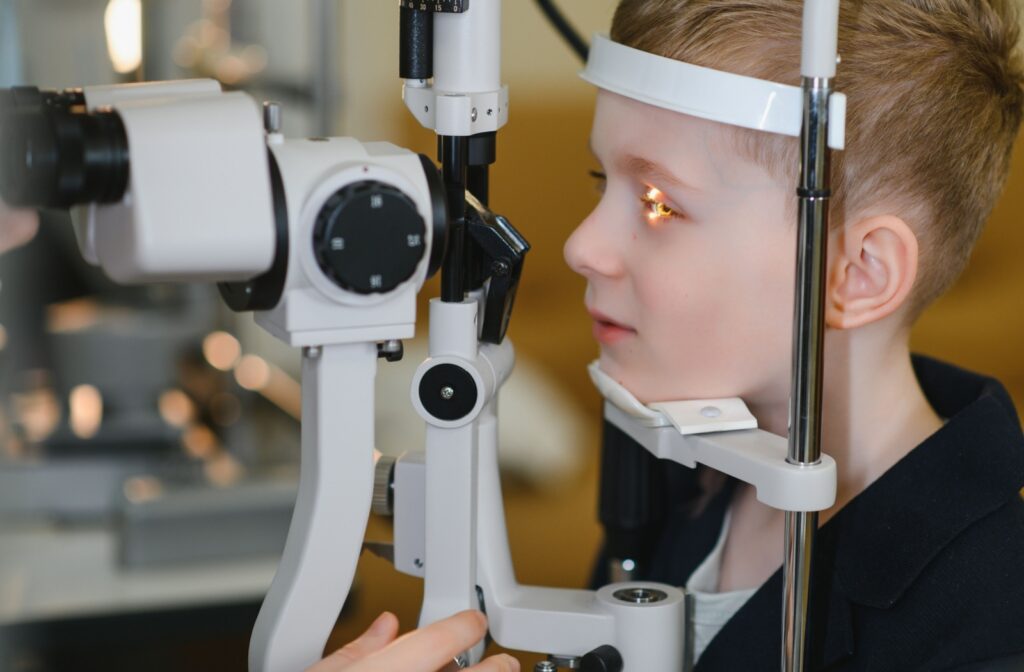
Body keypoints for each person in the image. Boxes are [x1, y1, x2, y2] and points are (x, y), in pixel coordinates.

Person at [318, 0, 1024, 668]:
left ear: (856, 274)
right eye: (603, 181)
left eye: (659, 203)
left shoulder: (992, 611)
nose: (582, 246)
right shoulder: (678, 464)